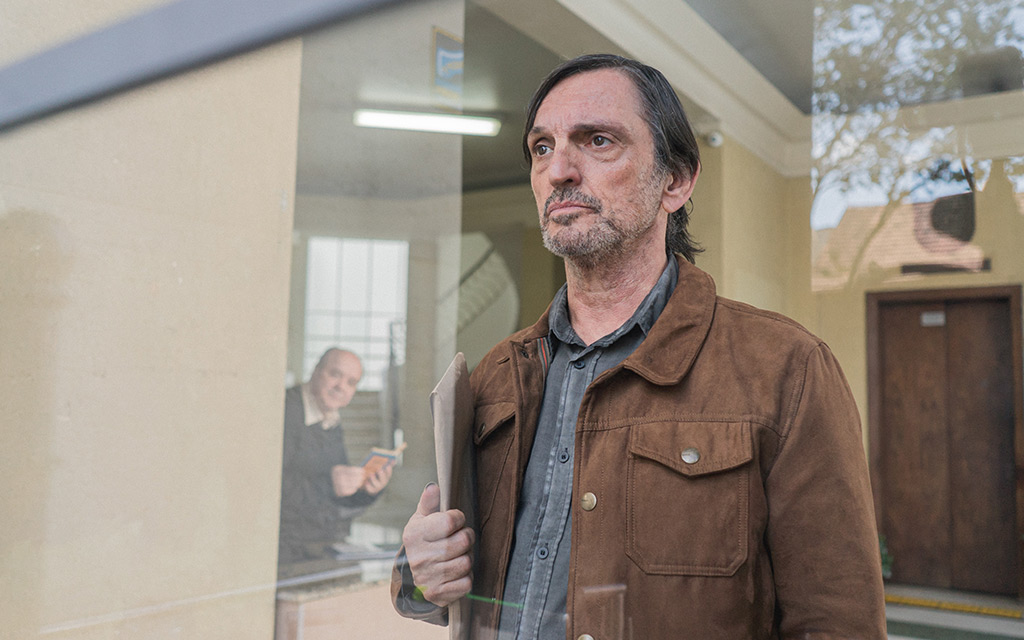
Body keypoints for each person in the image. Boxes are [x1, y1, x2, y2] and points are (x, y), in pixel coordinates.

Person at [392, 54, 886, 639]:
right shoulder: (500, 374)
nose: (559, 171)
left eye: (597, 141)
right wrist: (418, 575)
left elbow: (838, 624)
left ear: (675, 181)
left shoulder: (787, 369)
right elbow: (441, 577)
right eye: (543, 147)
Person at [278, 348, 393, 571]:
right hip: (285, 551)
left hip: (319, 544)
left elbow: (335, 497)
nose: (341, 387)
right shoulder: (285, 409)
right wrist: (330, 484)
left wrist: (367, 490)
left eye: (351, 382)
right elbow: (269, 489)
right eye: (335, 375)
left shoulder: (331, 418)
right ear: (315, 371)